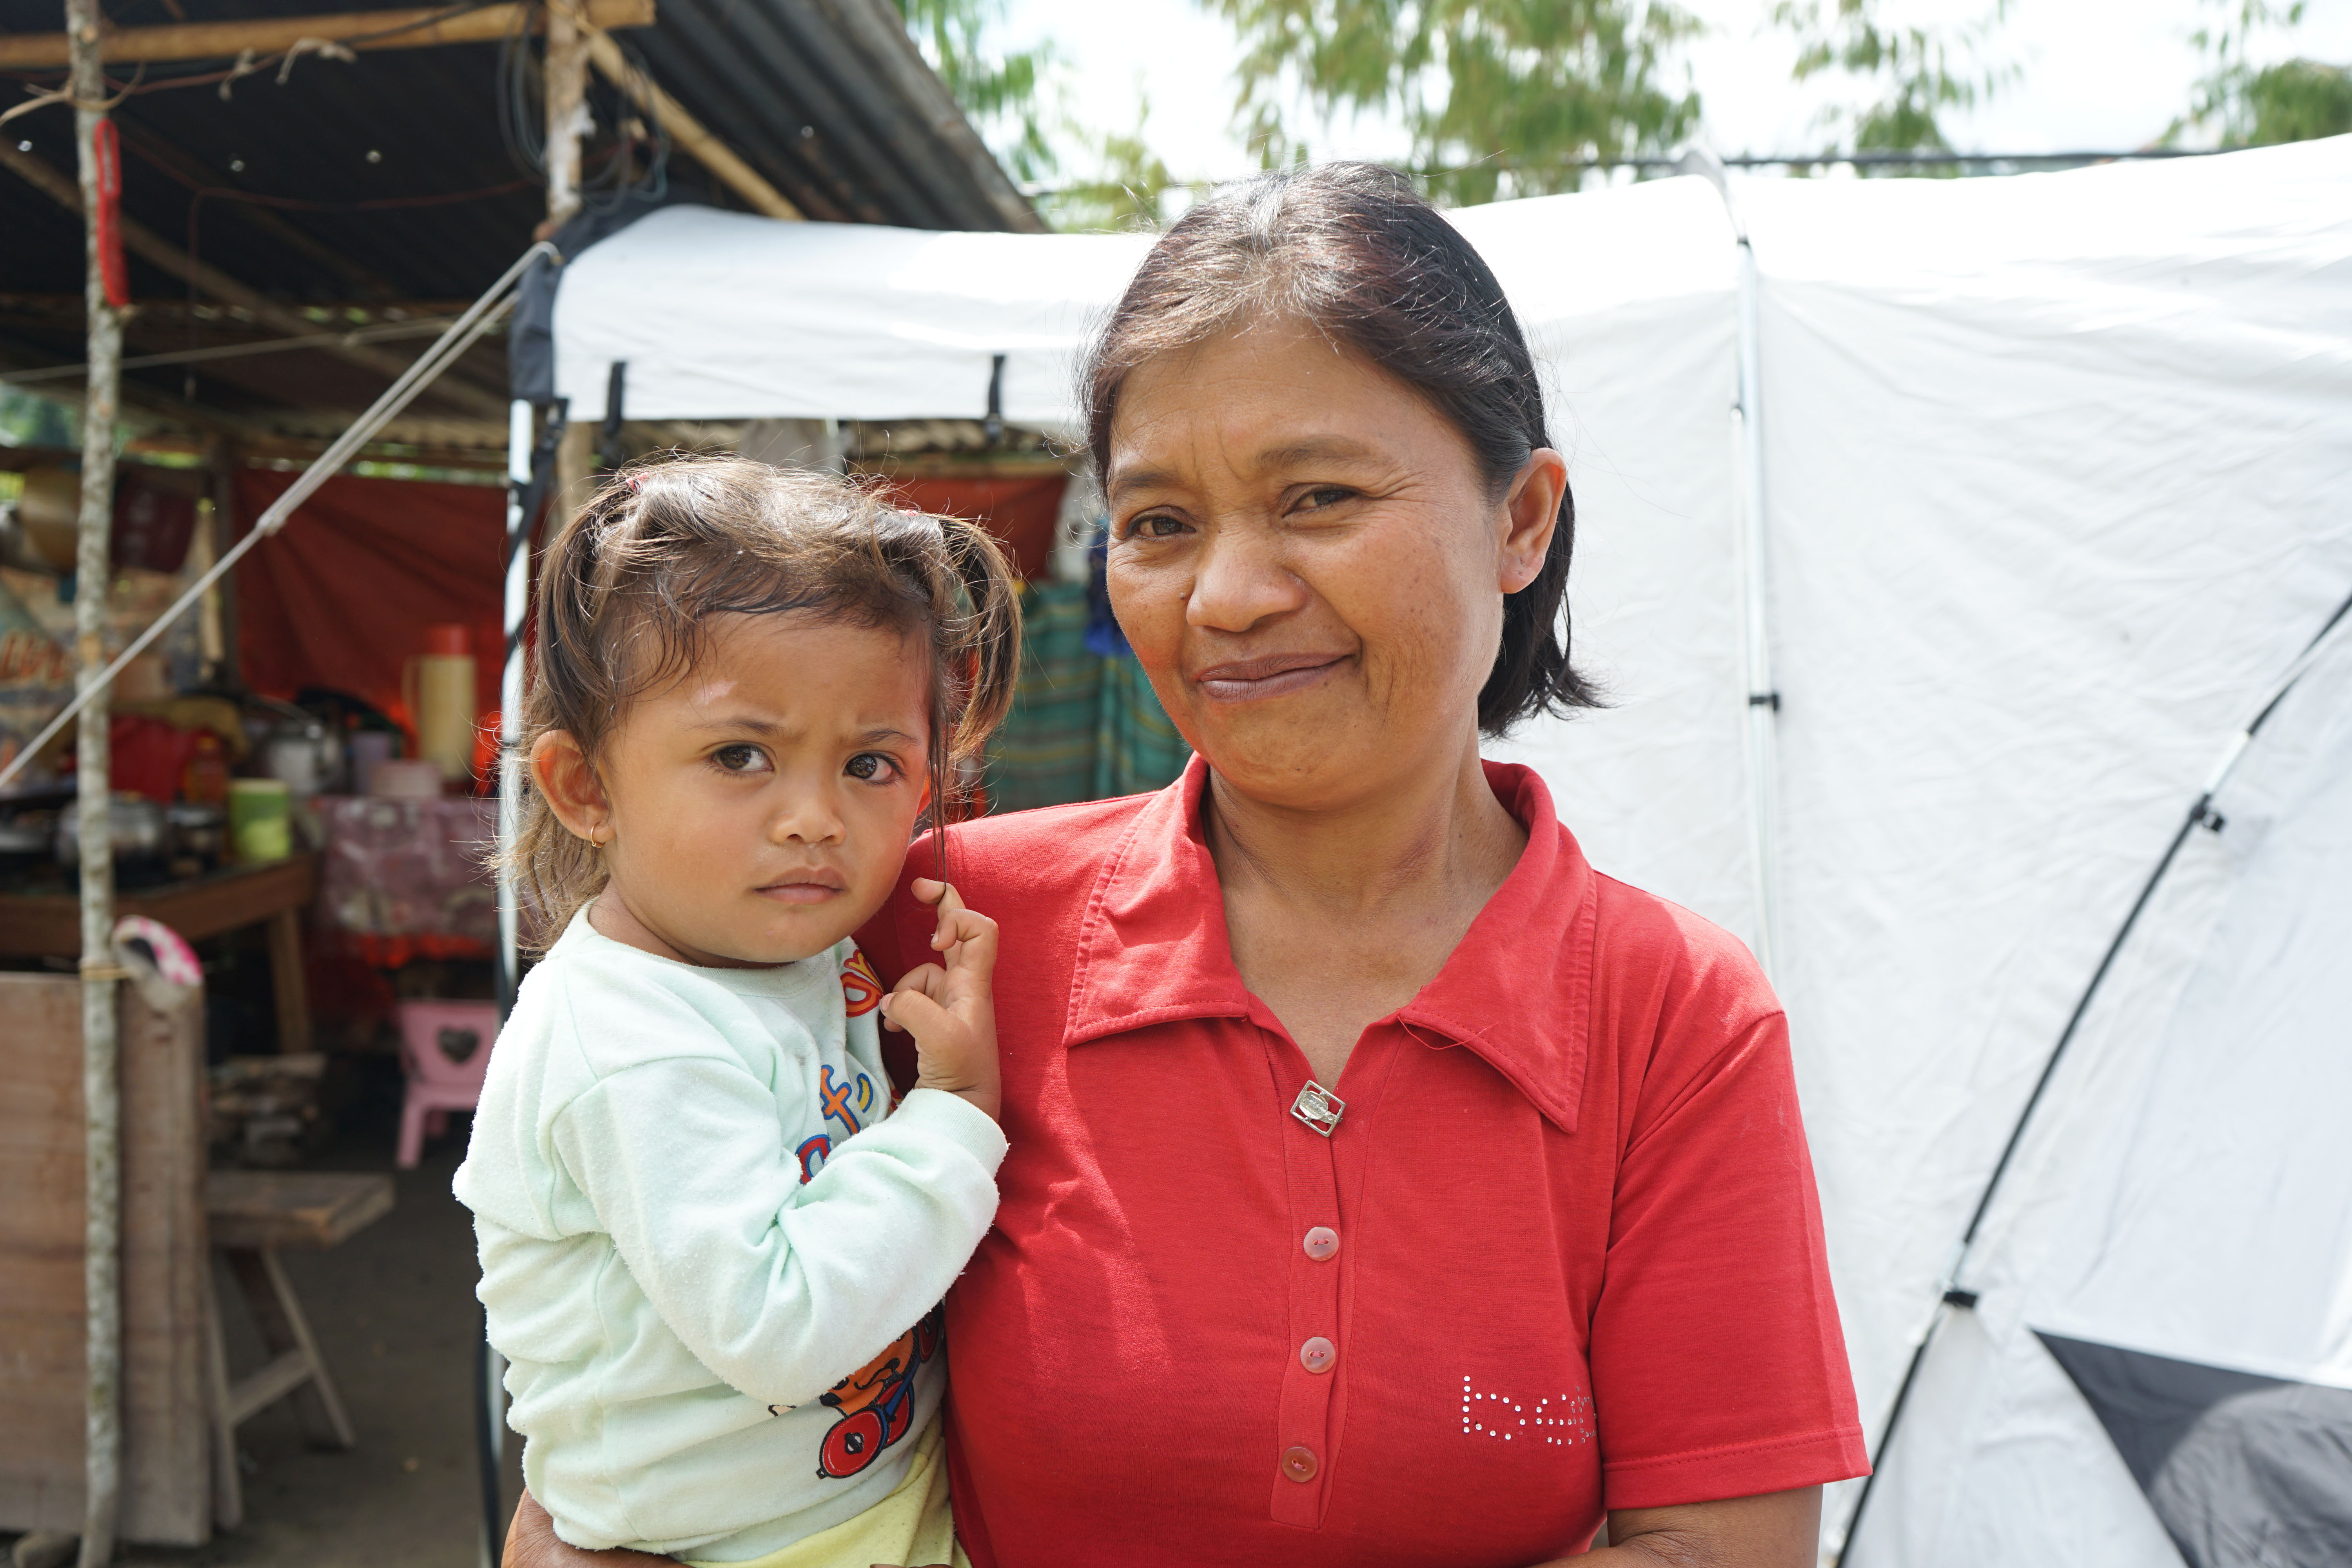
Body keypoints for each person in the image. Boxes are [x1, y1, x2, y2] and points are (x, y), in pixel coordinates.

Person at [508, 163, 1866, 1568]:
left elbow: (1716, 1545)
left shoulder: (1674, 1019)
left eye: (1320, 496)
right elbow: (622, 1366)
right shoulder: (937, 929)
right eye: (1159, 524)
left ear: (1521, 520)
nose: (1225, 596)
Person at [456, 457, 1024, 1568]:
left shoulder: (775, 956)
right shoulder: (633, 1042)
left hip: (854, 1508)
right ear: (586, 790)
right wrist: (956, 1114)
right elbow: (780, 1329)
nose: (814, 818)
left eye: (869, 763)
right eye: (739, 756)